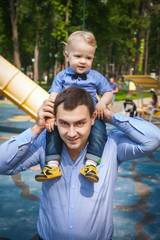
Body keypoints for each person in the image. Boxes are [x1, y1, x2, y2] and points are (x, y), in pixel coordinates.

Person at [0, 87, 160, 240]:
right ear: (55, 120)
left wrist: (110, 116)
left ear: (92, 118)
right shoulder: (44, 143)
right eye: (64, 123)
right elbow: (2, 165)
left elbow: (153, 139)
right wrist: (36, 128)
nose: (71, 133)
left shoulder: (111, 144)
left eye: (79, 123)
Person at [35, 31, 113, 183]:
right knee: (52, 131)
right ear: (67, 55)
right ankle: (52, 165)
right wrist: (51, 117)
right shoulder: (62, 76)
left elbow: (108, 92)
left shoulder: (95, 76)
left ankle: (90, 164)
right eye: (78, 56)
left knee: (99, 132)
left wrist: (102, 103)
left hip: (89, 115)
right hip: (66, 114)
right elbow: (53, 98)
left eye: (88, 57)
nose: (83, 61)